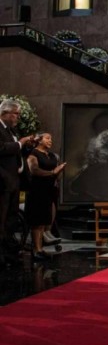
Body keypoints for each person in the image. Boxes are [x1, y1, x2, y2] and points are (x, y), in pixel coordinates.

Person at [0, 99, 35, 268]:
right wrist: (20, 143)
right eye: (16, 114)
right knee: (1, 219)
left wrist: (27, 145)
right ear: (4, 113)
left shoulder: (11, 130)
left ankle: (9, 254)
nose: (18, 117)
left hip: (14, 181)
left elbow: (17, 152)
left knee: (11, 220)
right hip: (2, 182)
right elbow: (2, 149)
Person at [24, 132, 66, 260]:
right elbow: (34, 170)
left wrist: (58, 172)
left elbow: (56, 174)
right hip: (37, 190)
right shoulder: (33, 153)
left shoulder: (52, 155)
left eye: (51, 139)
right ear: (39, 140)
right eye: (47, 138)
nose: (50, 140)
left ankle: (40, 248)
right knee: (37, 222)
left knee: (43, 221)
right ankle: (36, 250)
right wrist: (52, 172)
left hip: (49, 191)